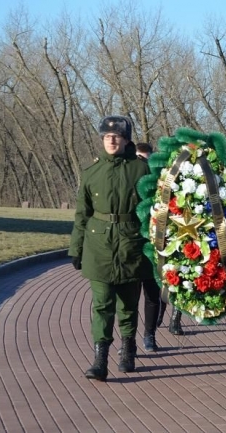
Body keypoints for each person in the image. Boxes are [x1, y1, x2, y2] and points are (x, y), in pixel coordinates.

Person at [69, 115, 151, 381]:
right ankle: (100, 358)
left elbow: (154, 212)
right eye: (107, 136)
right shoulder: (92, 172)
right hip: (99, 246)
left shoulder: (142, 170)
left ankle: (128, 349)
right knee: (102, 304)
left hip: (131, 244)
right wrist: (76, 248)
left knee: (128, 304)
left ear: (127, 139)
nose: (112, 140)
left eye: (117, 136)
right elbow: (82, 214)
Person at [134, 143, 163, 351]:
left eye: (146, 158)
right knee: (130, 297)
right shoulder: (128, 180)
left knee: (152, 294)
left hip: (154, 244)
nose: (142, 162)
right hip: (133, 244)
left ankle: (149, 335)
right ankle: (129, 340)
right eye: (139, 157)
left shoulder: (160, 182)